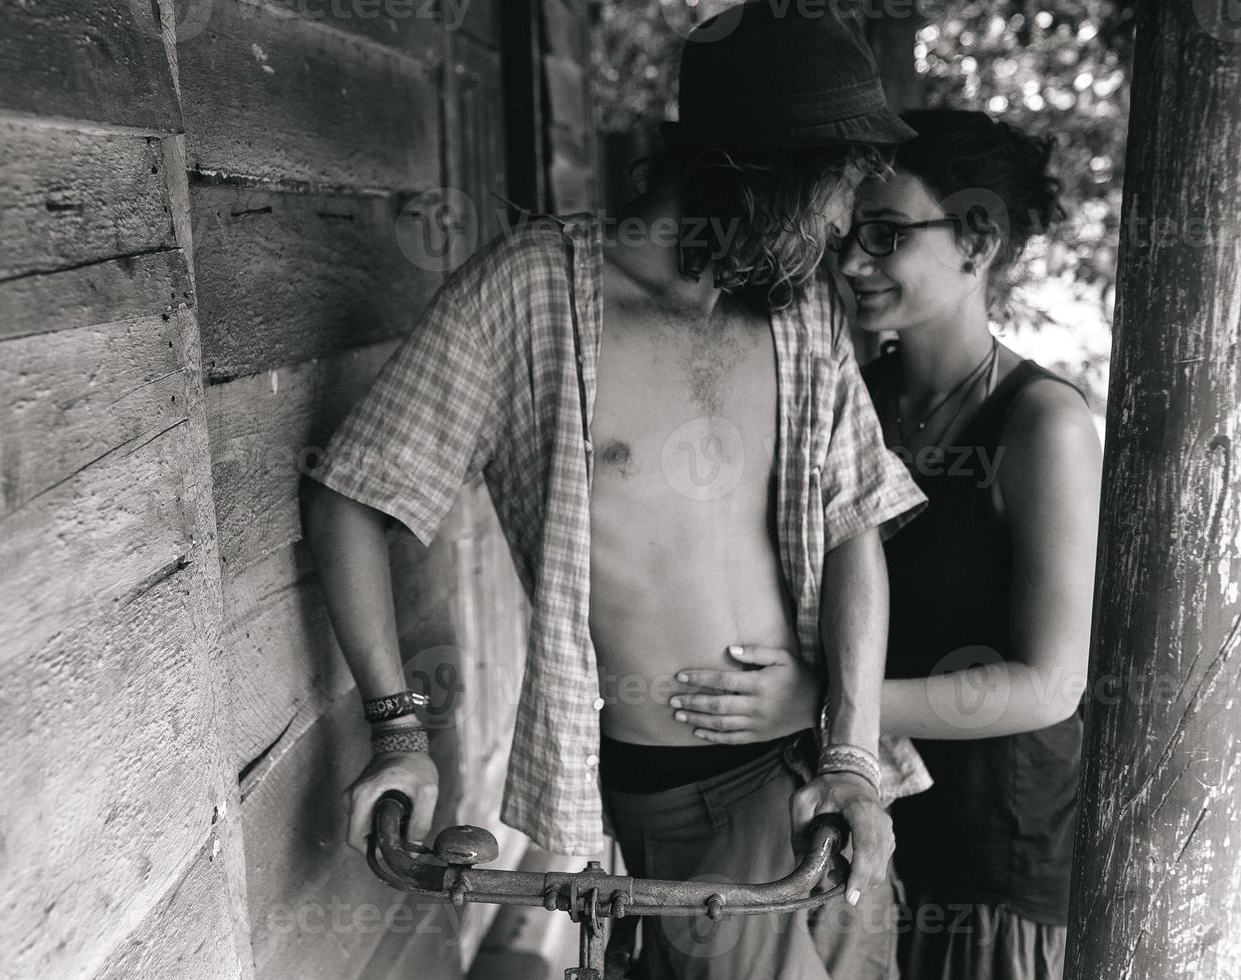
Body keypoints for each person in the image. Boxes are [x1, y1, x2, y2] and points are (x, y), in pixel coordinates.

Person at [301, 5, 930, 977]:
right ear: (763, 171)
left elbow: (854, 521)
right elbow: (351, 492)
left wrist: (848, 754)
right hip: (687, 794)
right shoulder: (532, 290)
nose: (845, 224)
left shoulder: (799, 310)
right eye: (838, 186)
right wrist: (399, 730)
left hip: (820, 769)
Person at [669, 108, 1101, 979]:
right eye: (850, 233)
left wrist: (830, 706)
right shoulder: (854, 394)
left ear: (977, 243)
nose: (853, 260)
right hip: (855, 823)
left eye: (888, 234)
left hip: (994, 856)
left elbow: (1054, 684)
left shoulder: (1043, 425)